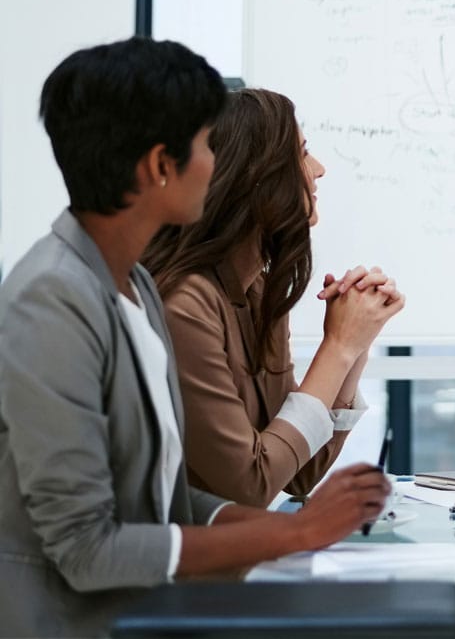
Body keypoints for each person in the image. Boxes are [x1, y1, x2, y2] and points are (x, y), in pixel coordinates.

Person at [0, 39, 391, 638]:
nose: (219, 162)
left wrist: (287, 531)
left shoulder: (131, 286)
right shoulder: (51, 299)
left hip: (147, 613)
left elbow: (164, 498)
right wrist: (291, 532)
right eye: (209, 144)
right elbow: (85, 547)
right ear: (161, 166)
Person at [143, 88, 405, 507]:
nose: (318, 170)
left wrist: (355, 344)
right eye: (302, 153)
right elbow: (250, 483)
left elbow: (299, 474)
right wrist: (336, 349)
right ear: (255, 177)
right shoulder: (185, 305)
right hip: (177, 561)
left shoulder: (257, 289)